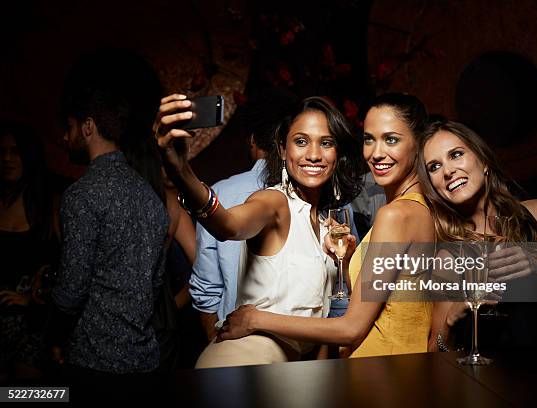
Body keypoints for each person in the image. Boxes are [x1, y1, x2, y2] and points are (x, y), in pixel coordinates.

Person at [217, 93, 436, 358]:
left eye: (391, 139)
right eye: (369, 139)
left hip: (379, 367)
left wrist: (254, 319)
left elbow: (352, 328)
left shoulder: (395, 215)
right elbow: (398, 302)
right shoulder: (420, 209)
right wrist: (347, 263)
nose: (377, 153)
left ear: (419, 144)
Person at [156, 95, 363, 367]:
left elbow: (322, 321)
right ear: (281, 148)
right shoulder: (274, 202)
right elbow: (228, 224)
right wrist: (181, 170)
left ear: (338, 152)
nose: (314, 154)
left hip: (287, 371)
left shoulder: (324, 223)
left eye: (326, 143)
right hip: (242, 363)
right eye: (301, 141)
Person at [418, 119, 537, 350]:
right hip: (496, 380)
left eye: (456, 154)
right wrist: (451, 319)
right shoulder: (448, 256)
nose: (447, 171)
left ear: (483, 161)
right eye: (434, 167)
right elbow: (434, 351)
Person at [49, 81, 169, 393]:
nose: (65, 137)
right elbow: (155, 281)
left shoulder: (82, 194)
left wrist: (48, 326)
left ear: (88, 127)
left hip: (94, 361)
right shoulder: (150, 196)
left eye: (71, 127)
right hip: (145, 361)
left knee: (17, 397)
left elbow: (72, 289)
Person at [190, 90, 297, 341]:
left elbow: (205, 288)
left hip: (236, 342)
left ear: (252, 141)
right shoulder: (319, 197)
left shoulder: (221, 193)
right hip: (290, 347)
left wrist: (215, 343)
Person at [0, 123, 60, 381]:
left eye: (15, 152)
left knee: (30, 398)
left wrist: (33, 300)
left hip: (32, 325)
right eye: (1, 152)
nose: (6, 159)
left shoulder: (48, 203)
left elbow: (66, 266)